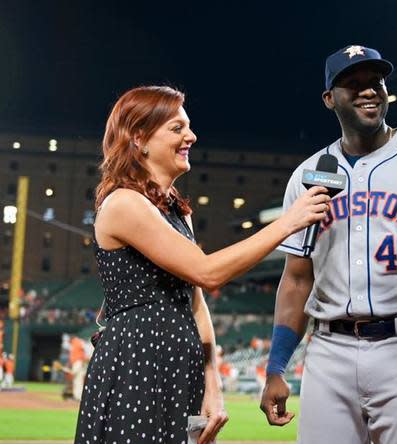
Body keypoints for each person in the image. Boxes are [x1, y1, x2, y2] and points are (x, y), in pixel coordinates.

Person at [74, 86, 331, 444]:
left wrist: (213, 385)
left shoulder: (176, 210)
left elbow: (196, 303)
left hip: (181, 368)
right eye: (177, 128)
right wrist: (288, 221)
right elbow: (207, 272)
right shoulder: (123, 204)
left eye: (188, 127)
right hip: (136, 365)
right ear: (139, 139)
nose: (191, 136)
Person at [259, 45, 397, 444]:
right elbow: (297, 278)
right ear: (329, 98)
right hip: (329, 351)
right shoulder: (307, 175)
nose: (369, 91)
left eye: (376, 82)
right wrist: (276, 365)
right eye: (353, 84)